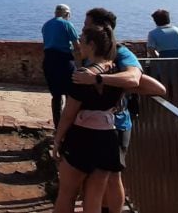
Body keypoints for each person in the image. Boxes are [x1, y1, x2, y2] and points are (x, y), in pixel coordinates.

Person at [74, 7, 146, 213]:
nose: (83, 28)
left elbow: (134, 78)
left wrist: (97, 78)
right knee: (96, 178)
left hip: (116, 124)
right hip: (90, 124)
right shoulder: (93, 53)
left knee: (113, 177)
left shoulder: (121, 53)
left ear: (100, 27)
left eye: (87, 25)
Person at [53, 24, 126, 213]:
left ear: (92, 45)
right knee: (94, 198)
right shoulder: (116, 71)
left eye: (82, 42)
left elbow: (68, 114)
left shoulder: (82, 76)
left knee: (67, 193)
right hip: (107, 139)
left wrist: (58, 140)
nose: (78, 46)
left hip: (81, 138)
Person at [42, 4, 80, 127]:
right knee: (71, 93)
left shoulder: (46, 25)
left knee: (56, 95)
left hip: (48, 61)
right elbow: (77, 46)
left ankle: (58, 126)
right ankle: (70, 124)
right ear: (66, 14)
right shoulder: (67, 24)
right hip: (64, 61)